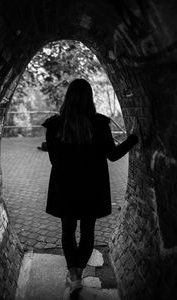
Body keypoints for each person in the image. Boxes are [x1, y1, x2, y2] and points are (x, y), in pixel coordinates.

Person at [42, 78, 138, 297]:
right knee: (87, 231)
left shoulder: (55, 125)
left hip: (65, 188)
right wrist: (132, 139)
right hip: (92, 189)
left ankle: (73, 276)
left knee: (68, 230)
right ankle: (78, 272)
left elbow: (54, 161)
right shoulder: (99, 124)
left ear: (68, 98)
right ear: (90, 98)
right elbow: (113, 156)